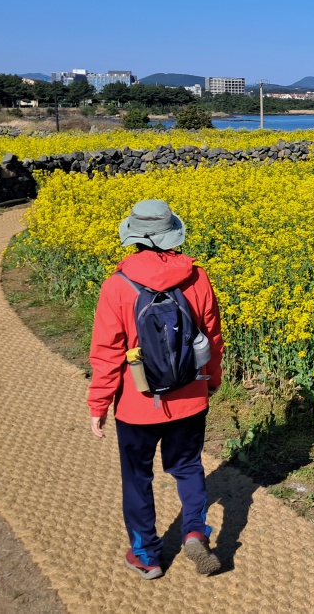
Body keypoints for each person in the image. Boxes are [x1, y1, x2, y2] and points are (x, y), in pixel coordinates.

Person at [87, 199, 225, 579]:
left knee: (137, 476)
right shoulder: (197, 277)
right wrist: (210, 380)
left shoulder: (118, 285)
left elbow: (107, 354)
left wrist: (99, 404)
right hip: (190, 395)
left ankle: (146, 555)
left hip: (137, 403)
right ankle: (195, 531)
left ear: (132, 236)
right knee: (188, 466)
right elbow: (211, 338)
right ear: (171, 234)